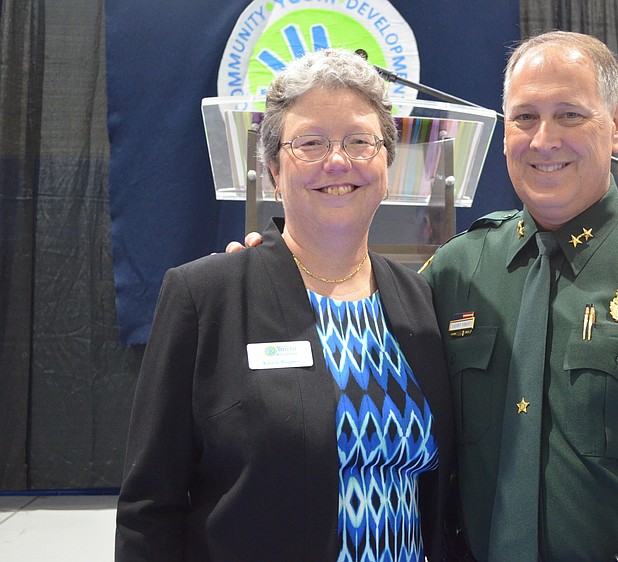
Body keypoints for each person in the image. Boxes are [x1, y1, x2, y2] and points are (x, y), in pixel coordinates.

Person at [230, 33, 618, 560]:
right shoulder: (457, 271)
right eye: (524, 118)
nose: (544, 139)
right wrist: (278, 274)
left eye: (570, 115)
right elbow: (352, 334)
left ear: (617, 124)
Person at [115, 48, 454, 562]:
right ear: (274, 170)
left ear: (387, 162)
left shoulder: (420, 298)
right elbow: (149, 506)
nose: (337, 161)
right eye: (310, 143)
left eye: (360, 141)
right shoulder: (207, 297)